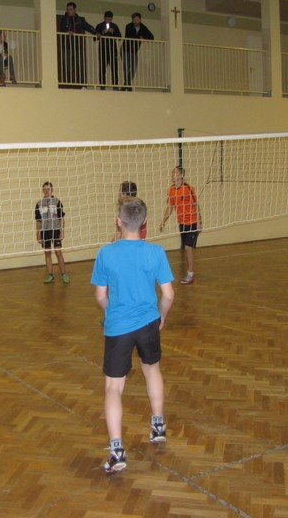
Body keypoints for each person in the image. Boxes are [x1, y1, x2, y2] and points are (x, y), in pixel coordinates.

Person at [91, 197, 175, 473]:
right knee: (152, 369)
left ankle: (117, 451)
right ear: (144, 223)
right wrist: (161, 316)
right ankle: (158, 425)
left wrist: (112, 311)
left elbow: (100, 297)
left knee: (113, 387)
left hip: (118, 327)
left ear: (118, 222)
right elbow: (169, 295)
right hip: (149, 323)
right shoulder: (156, 252)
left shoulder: (106, 253)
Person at [159, 166, 200, 284]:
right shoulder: (171, 190)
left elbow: (196, 205)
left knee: (188, 248)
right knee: (186, 249)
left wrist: (199, 222)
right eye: (173, 173)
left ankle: (190, 275)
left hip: (192, 222)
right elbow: (170, 207)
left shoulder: (188, 188)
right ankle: (189, 272)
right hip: (182, 223)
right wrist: (163, 220)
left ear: (181, 175)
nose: (173, 175)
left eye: (176, 173)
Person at [58, 2, 98, 88]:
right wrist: (67, 32)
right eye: (68, 9)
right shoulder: (64, 19)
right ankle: (67, 85)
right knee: (67, 65)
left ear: (75, 10)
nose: (69, 11)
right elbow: (61, 28)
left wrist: (95, 32)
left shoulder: (79, 20)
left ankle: (81, 85)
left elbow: (87, 26)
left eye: (70, 9)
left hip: (77, 46)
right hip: (67, 46)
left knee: (80, 65)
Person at [35, 181, 68, 284]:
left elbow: (61, 218)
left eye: (48, 189)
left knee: (58, 252)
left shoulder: (57, 202)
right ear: (42, 190)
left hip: (55, 230)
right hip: (45, 231)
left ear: (52, 190)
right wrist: (38, 233)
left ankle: (64, 274)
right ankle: (50, 275)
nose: (46, 191)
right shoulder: (39, 203)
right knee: (47, 253)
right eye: (44, 189)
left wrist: (62, 231)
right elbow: (38, 220)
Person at [122, 12, 154, 91]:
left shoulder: (143, 27)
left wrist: (143, 37)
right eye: (134, 20)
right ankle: (128, 85)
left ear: (140, 19)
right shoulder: (128, 26)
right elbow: (129, 36)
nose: (135, 21)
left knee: (133, 69)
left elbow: (151, 37)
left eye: (137, 19)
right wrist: (140, 37)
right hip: (126, 50)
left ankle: (126, 85)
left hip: (134, 51)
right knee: (126, 68)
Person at [95, 11, 122, 90]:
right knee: (102, 68)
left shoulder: (114, 26)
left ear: (112, 19)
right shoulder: (100, 26)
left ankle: (115, 86)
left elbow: (119, 37)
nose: (108, 21)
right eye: (107, 19)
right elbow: (95, 38)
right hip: (103, 49)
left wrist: (113, 32)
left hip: (113, 49)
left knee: (114, 68)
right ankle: (102, 86)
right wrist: (103, 32)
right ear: (104, 18)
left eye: (109, 19)